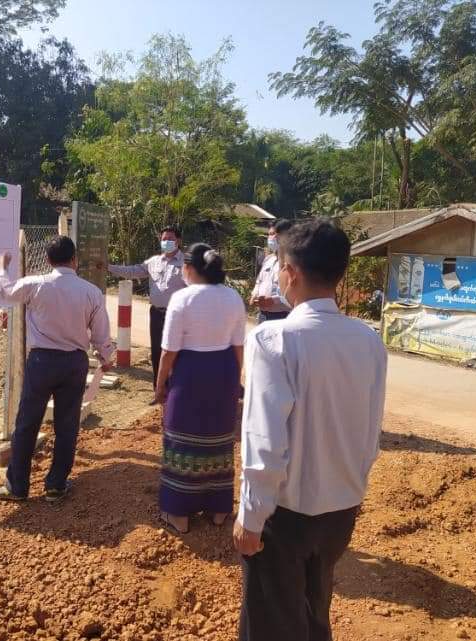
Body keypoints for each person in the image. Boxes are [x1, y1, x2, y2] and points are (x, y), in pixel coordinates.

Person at [234, 219, 387, 641]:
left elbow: (264, 441)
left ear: (290, 272)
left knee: (271, 622)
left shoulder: (273, 339)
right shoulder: (368, 340)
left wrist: (251, 516)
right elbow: (371, 431)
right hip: (341, 511)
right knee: (314, 611)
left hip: (285, 514)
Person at [0, 236, 115, 503]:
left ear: (48, 260)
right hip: (74, 363)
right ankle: (56, 485)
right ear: (75, 260)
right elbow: (101, 333)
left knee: (27, 423)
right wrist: (105, 357)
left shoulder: (35, 285)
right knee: (67, 425)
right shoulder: (91, 292)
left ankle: (17, 487)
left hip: (41, 363)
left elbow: (5, 292)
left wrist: (2, 267)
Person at [155, 243, 246, 534]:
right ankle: (219, 509)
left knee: (182, 439)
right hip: (224, 371)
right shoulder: (233, 297)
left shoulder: (182, 298)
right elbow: (238, 346)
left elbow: (169, 351)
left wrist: (160, 384)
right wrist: (235, 381)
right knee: (219, 439)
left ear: (190, 269)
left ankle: (178, 514)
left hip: (190, 374)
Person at [101, 226, 186, 396]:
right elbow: (132, 271)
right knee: (157, 351)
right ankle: (158, 389)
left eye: (170, 239)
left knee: (176, 352)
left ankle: (177, 390)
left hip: (178, 316)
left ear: (178, 241)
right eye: (164, 239)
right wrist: (109, 267)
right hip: (157, 313)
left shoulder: (186, 263)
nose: (166, 242)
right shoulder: (153, 262)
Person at [250, 219, 293, 322]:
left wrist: (274, 301)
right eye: (269, 234)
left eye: (274, 234)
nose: (272, 238)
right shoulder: (268, 259)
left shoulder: (293, 262)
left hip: (282, 316)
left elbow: (292, 290)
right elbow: (259, 281)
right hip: (262, 314)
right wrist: (254, 294)